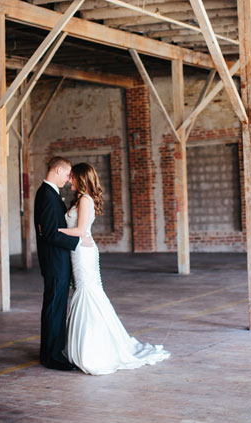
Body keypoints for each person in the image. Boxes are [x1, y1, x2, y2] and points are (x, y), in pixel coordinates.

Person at [59, 162, 170, 375]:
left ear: (81, 178)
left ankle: (94, 349)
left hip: (83, 252)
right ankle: (86, 346)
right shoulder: (80, 199)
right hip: (78, 251)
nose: (69, 180)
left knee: (88, 293)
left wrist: (53, 230)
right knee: (85, 292)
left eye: (72, 177)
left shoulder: (85, 200)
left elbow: (81, 230)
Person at [34, 156, 91, 370]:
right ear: (58, 171)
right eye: (67, 175)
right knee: (53, 308)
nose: (68, 180)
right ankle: (52, 357)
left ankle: (49, 353)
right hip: (54, 262)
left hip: (56, 261)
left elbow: (49, 230)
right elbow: (48, 234)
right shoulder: (47, 195)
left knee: (55, 308)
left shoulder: (49, 193)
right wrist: (77, 240)